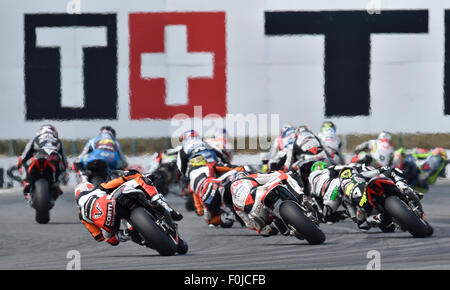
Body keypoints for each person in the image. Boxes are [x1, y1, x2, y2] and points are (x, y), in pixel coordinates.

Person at [74, 169, 183, 246]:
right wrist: (145, 176)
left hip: (112, 222)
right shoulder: (100, 189)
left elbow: (99, 237)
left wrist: (122, 234)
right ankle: (164, 205)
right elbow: (125, 179)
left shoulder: (82, 215)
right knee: (141, 180)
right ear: (89, 188)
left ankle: (129, 235)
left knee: (111, 238)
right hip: (115, 204)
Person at [229, 170, 304, 236]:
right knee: (285, 176)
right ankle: (301, 197)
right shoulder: (249, 178)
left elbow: (249, 224)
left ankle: (274, 224)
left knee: (264, 230)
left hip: (255, 212)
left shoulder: (233, 199)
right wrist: (285, 173)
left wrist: (261, 227)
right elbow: (275, 175)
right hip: (259, 194)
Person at [17, 124, 68, 199]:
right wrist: (64, 167)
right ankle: (57, 183)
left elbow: (25, 155)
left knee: (23, 163)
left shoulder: (35, 138)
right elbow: (64, 159)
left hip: (37, 158)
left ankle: (26, 182)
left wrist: (21, 162)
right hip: (53, 158)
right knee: (63, 168)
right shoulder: (58, 140)